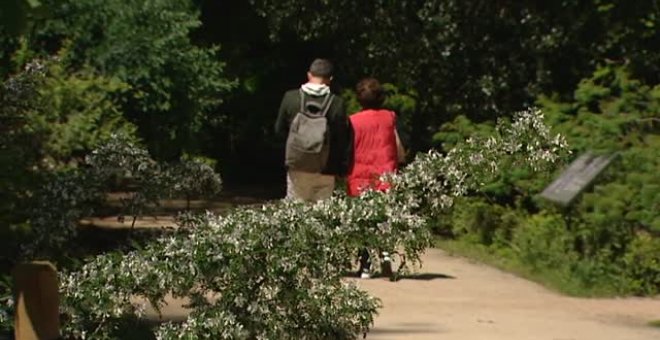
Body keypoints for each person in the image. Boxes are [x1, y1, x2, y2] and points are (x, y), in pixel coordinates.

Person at [347, 77, 406, 278]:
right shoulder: (389, 118)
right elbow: (397, 146)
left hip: (359, 178)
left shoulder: (353, 121)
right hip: (386, 174)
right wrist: (401, 159)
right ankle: (386, 254)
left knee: (364, 221)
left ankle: (365, 265)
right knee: (383, 218)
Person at [275, 59, 352, 202]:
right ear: (330, 79)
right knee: (322, 215)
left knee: (296, 212)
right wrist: (342, 167)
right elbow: (342, 139)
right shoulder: (337, 103)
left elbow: (279, 131)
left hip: (298, 164)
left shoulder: (291, 98)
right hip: (326, 168)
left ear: (309, 75)